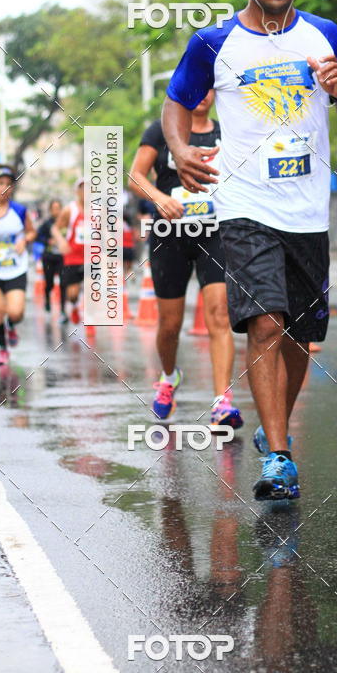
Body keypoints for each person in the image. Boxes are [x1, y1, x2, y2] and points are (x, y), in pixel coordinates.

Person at [161, 0, 337, 500]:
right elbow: (176, 101)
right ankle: (280, 458)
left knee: (301, 339)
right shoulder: (213, 42)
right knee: (266, 322)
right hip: (244, 206)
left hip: (306, 211)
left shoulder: (326, 34)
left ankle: (272, 425)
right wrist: (180, 149)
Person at [129, 91, 242, 428]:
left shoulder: (228, 130)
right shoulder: (161, 130)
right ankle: (168, 377)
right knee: (170, 325)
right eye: (198, 87)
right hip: (169, 235)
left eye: (210, 88)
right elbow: (135, 176)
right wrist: (159, 198)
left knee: (219, 314)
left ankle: (222, 402)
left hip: (214, 233)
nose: (204, 95)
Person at [0, 164, 36, 364]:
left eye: (8, 184)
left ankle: (12, 326)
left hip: (16, 269)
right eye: (0, 183)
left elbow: (31, 232)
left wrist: (25, 240)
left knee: (15, 313)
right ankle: (3, 348)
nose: (4, 188)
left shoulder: (19, 210)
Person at [52, 178, 85, 325]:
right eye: (82, 189)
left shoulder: (98, 210)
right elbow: (55, 228)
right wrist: (61, 241)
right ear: (77, 192)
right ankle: (75, 305)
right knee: (72, 294)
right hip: (73, 257)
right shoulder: (69, 210)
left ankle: (90, 323)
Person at [35, 199, 65, 313]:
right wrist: (48, 241)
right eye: (54, 209)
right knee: (49, 283)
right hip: (49, 257)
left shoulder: (66, 223)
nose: (56, 211)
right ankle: (47, 299)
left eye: (58, 208)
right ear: (50, 210)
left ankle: (63, 309)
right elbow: (37, 236)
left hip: (62, 257)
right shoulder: (47, 224)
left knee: (63, 283)